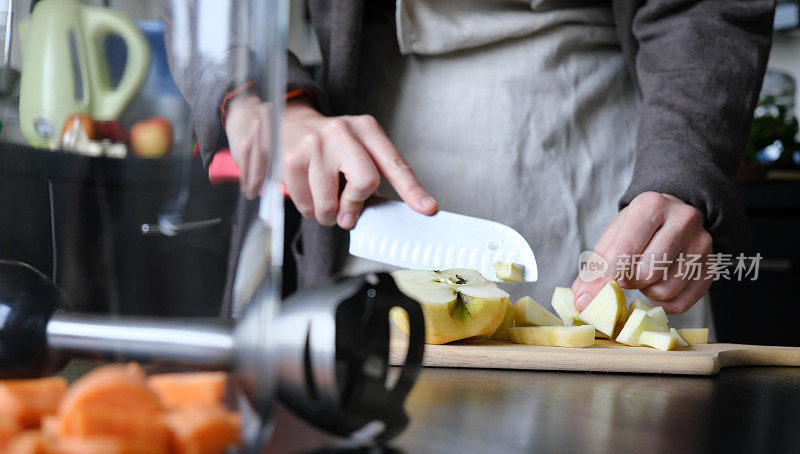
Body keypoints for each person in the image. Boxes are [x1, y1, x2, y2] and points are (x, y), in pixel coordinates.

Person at [161, 0, 774, 329]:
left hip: (613, 160)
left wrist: (684, 168)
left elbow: (703, 8)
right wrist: (264, 97)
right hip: (373, 168)